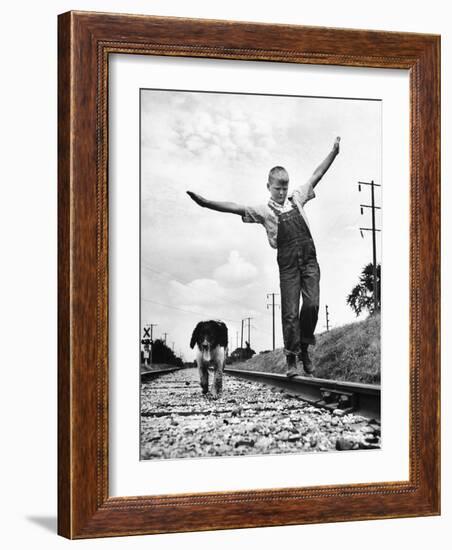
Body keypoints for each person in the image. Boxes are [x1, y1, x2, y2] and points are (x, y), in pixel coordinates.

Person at [187, 137, 340, 377]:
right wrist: (206, 203)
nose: (281, 192)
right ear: (268, 186)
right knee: (290, 312)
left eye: (284, 187)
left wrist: (334, 153)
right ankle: (292, 358)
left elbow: (316, 175)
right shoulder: (263, 210)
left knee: (312, 304)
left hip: (310, 260)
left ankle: (304, 346)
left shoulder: (297, 198)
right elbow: (234, 206)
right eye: (277, 188)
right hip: (288, 264)